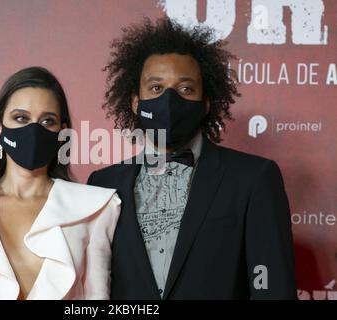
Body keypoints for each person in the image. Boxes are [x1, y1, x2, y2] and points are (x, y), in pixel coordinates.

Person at [88, 18, 297, 299]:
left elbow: (273, 289)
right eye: (156, 88)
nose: (169, 100)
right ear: (136, 103)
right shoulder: (102, 185)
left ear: (206, 102)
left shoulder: (253, 178)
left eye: (185, 89)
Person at [0, 66, 121, 300]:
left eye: (47, 121)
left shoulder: (94, 208)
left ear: (62, 133)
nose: (33, 130)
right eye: (21, 118)